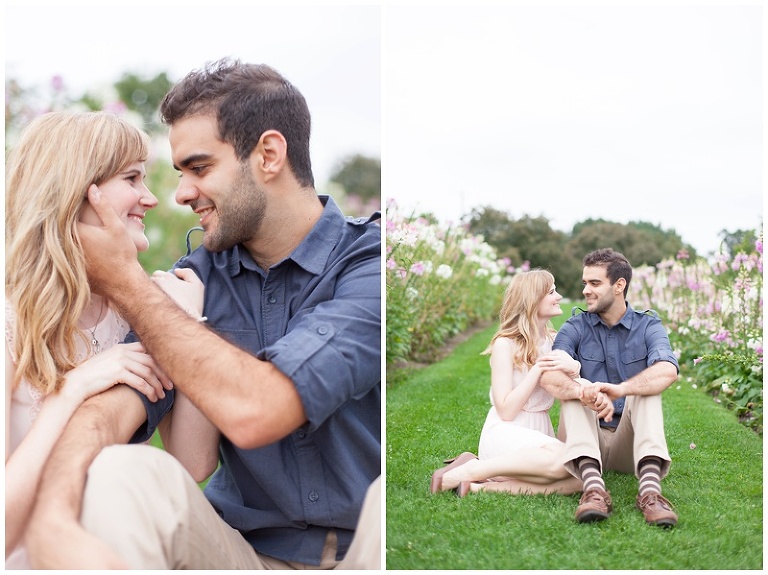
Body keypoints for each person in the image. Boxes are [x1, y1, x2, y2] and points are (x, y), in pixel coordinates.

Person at [25, 58, 382, 570]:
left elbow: (262, 408)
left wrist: (125, 281)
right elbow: (108, 414)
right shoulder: (194, 281)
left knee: (381, 501)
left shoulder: (367, 263)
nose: (181, 193)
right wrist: (51, 516)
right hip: (244, 555)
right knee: (121, 475)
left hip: (367, 552)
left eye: (199, 168)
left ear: (269, 154)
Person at [4, 111, 174, 568]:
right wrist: (72, 391)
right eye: (133, 178)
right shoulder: (9, 321)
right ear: (79, 189)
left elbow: (194, 464)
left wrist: (182, 319)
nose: (151, 198)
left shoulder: (130, 311)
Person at [429, 269, 612, 497]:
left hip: (540, 432)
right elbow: (506, 411)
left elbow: (569, 385)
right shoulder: (505, 345)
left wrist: (573, 367)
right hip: (506, 431)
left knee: (581, 478)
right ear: (532, 300)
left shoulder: (555, 341)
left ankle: (479, 487)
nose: (559, 297)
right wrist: (536, 370)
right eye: (552, 292)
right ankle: (473, 468)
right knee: (561, 459)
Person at [539, 248, 679, 527]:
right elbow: (549, 376)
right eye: (585, 283)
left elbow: (668, 371)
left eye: (594, 283)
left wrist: (622, 389)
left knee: (645, 388)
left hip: (629, 445)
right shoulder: (575, 326)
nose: (586, 291)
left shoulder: (648, 325)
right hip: (585, 442)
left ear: (619, 285)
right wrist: (584, 391)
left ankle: (650, 493)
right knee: (575, 385)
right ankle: (593, 489)